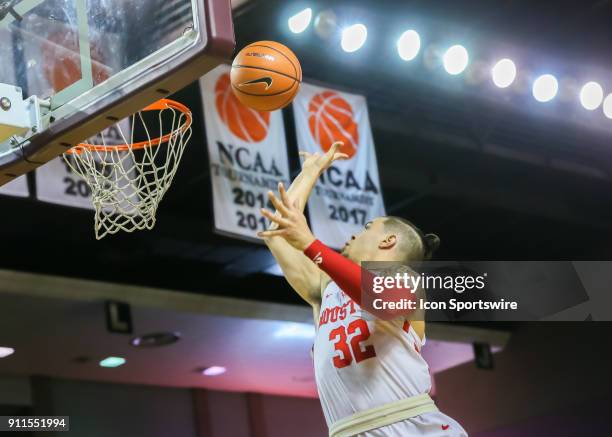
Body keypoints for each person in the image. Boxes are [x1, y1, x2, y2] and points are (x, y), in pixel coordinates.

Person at [258, 142, 468, 437]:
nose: (356, 233)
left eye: (368, 227)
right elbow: (279, 232)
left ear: (388, 241)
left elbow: (379, 297)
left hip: (411, 428)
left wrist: (310, 243)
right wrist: (310, 172)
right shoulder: (327, 286)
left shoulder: (405, 280)